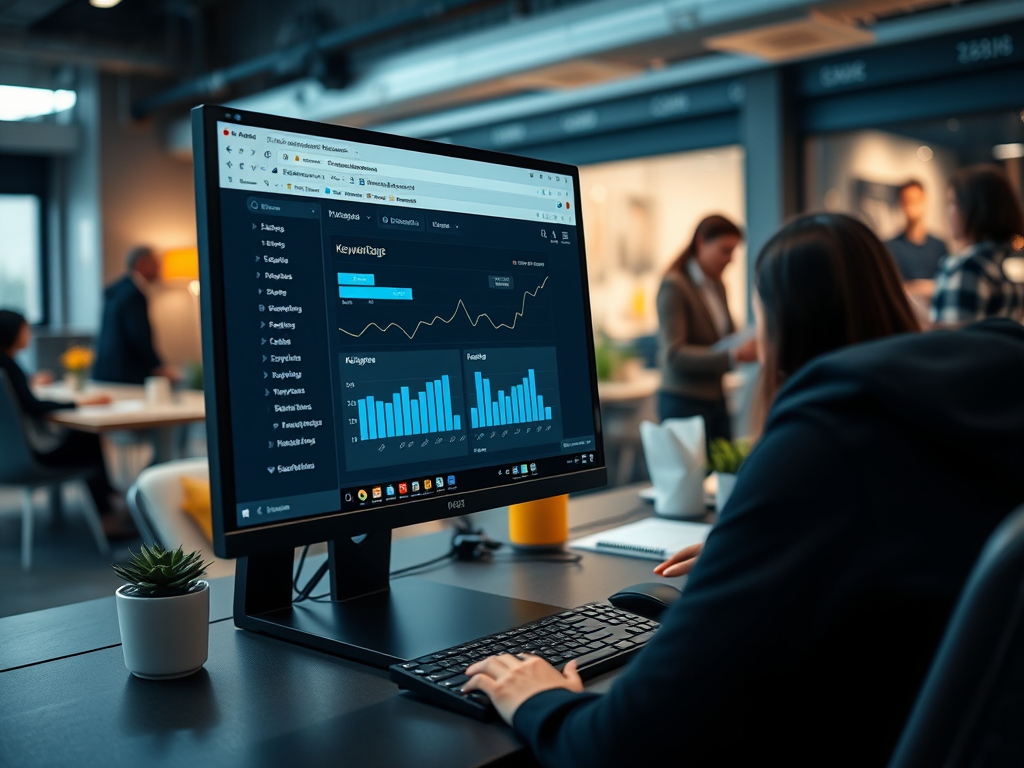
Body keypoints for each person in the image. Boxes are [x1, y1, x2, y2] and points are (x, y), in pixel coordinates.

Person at [460, 214, 1024, 766]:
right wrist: (780, 545)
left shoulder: (823, 442)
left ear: (780, 323)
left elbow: (622, 744)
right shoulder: (976, 400)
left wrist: (539, 701)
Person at [0, 310, 135, 538]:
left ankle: (110, 497)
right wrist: (80, 403)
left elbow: (19, 397)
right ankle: (107, 513)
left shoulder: (5, 365)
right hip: (33, 458)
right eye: (26, 329)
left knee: (83, 439)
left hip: (7, 459)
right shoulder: (9, 366)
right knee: (87, 439)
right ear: (12, 333)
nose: (29, 334)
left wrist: (29, 381)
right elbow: (34, 406)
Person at [655, 215, 757, 444]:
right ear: (701, 243)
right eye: (725, 250)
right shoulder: (675, 286)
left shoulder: (718, 286)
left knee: (724, 471)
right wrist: (734, 355)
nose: (731, 259)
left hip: (716, 398)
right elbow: (674, 355)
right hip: (684, 401)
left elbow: (724, 338)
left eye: (734, 252)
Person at [931, 164, 1024, 326]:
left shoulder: (968, 267)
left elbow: (951, 341)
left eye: (953, 203)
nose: (948, 211)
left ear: (974, 207)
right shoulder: (1004, 264)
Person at [93, 245, 175, 385]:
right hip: (126, 371)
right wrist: (157, 365)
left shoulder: (118, 288)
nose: (159, 267)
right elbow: (138, 334)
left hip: (106, 368)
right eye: (155, 263)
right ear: (141, 263)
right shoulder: (133, 293)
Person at [885, 179, 948, 303]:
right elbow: (893, 288)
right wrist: (927, 287)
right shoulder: (890, 247)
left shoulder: (939, 246)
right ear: (901, 203)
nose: (911, 205)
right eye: (907, 200)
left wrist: (912, 287)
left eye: (915, 200)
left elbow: (946, 286)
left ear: (924, 200)